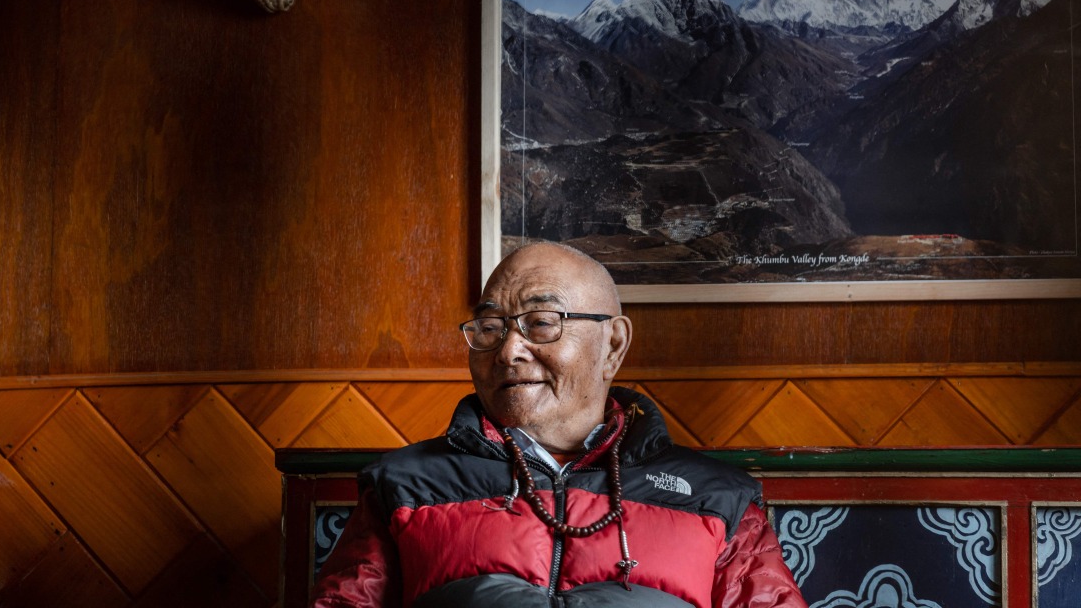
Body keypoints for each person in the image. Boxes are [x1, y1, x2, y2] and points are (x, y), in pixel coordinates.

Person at [311, 242, 807, 607]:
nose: (507, 352)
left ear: (612, 344)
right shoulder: (404, 485)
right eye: (490, 328)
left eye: (541, 323)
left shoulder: (719, 497)